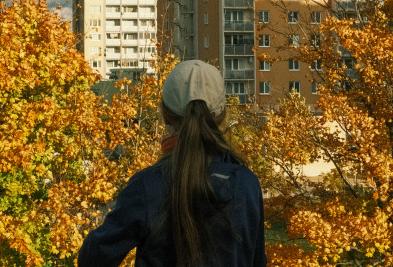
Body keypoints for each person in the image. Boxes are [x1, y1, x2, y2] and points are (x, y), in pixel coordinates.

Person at [79, 60, 267, 267]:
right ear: (221, 115)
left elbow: (92, 258)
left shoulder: (147, 185)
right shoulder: (247, 184)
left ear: (165, 115)